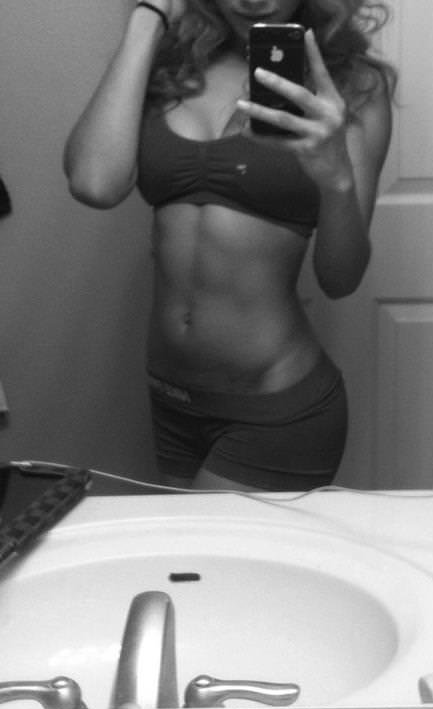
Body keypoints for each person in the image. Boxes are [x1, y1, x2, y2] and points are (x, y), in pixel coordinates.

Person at [63, 0, 395, 492]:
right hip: (173, 401)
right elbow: (94, 182)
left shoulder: (353, 86)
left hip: (277, 409)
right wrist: (148, 16)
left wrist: (337, 180)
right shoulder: (170, 66)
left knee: (201, 543)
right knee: (189, 545)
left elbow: (340, 278)